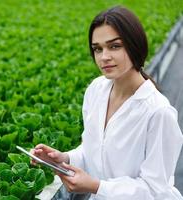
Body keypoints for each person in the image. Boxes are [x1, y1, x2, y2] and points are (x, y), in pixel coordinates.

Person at [31, 5, 183, 200]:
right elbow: (93, 151)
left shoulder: (157, 112)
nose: (104, 57)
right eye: (97, 49)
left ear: (135, 45)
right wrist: (64, 158)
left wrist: (96, 186)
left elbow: (154, 190)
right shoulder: (96, 90)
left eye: (115, 46)